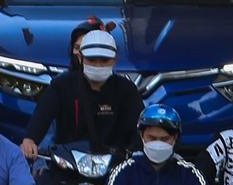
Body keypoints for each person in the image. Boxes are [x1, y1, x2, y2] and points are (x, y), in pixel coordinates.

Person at [21, 25, 143, 162]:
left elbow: (139, 128)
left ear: (114, 60)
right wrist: (30, 139)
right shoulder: (62, 85)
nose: (98, 65)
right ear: (81, 58)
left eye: (104, 60)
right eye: (92, 60)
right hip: (67, 161)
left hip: (114, 163)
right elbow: (42, 114)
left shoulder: (126, 89)